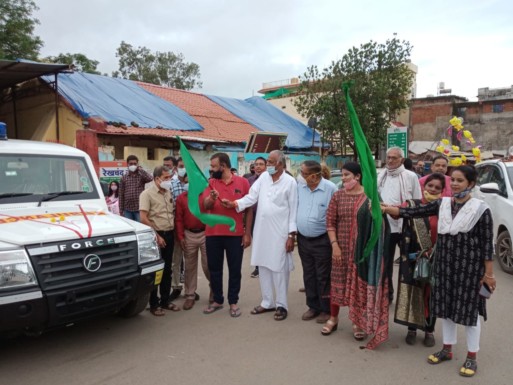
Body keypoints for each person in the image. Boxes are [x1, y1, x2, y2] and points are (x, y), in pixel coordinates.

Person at [382, 165, 496, 377]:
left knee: (469, 314)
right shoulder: (443, 204)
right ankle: (447, 349)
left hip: (469, 270)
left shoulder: (481, 209)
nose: (454, 184)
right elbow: (414, 211)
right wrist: (388, 208)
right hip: (443, 267)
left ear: (470, 184)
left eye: (459, 181)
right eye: (452, 180)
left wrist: (488, 274)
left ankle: (472, 357)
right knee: (446, 310)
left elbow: (487, 245)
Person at [223, 150, 298, 322]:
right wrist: (235, 203)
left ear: (280, 164)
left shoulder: (290, 182)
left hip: (280, 232)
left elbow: (293, 210)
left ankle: (281, 305)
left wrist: (291, 236)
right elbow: (251, 197)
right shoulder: (264, 178)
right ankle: (267, 301)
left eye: (271, 162)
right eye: (268, 162)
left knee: (279, 269)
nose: (268, 165)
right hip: (262, 230)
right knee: (263, 266)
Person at [322, 162, 390, 349]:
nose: (342, 178)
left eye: (346, 175)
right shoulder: (337, 196)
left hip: (361, 252)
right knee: (337, 283)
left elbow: (380, 223)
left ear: (358, 177)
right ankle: (333, 318)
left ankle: (357, 322)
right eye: (342, 175)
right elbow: (330, 222)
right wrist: (334, 245)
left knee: (358, 287)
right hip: (340, 250)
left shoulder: (370, 197)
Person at [394, 173, 446, 347]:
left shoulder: (443, 208)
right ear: (424, 186)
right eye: (430, 186)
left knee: (430, 295)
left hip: (435, 258)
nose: (432, 189)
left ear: (442, 191)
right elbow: (396, 213)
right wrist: (381, 206)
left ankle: (429, 331)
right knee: (413, 292)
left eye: (437, 188)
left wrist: (432, 252)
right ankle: (412, 329)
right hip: (412, 257)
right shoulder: (411, 205)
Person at [201, 153, 253, 317]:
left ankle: (233, 302)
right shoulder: (210, 183)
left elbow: (249, 208)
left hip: (235, 234)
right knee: (214, 269)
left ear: (223, 166)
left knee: (235, 269)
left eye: (214, 166)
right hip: (213, 234)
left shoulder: (243, 182)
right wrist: (211, 198)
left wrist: (247, 234)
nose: (211, 169)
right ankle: (217, 300)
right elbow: (205, 205)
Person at [378, 147, 422, 301]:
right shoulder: (380, 175)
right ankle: (387, 293)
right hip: (386, 226)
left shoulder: (411, 176)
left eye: (394, 158)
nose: (390, 160)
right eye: (388, 157)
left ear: (402, 160)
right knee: (386, 262)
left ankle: (407, 299)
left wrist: (402, 212)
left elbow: (417, 201)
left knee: (407, 264)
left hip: (406, 226)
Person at [297, 160, 337, 324]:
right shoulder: (300, 187)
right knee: (309, 273)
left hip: (322, 240)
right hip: (303, 239)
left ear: (314, 176)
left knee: (323, 276)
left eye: (304, 174)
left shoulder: (330, 189)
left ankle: (326, 309)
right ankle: (312, 306)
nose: (301, 176)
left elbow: (335, 215)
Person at [139, 165, 180, 316]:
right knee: (156, 270)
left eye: (169, 177)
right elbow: (143, 218)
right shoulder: (147, 194)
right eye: (166, 178)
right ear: (157, 179)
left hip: (169, 234)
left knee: (167, 270)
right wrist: (157, 235)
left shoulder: (167, 192)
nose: (168, 180)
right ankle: (154, 304)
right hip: (156, 236)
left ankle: (165, 300)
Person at [175, 174, 211, 310]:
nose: (188, 184)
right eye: (186, 181)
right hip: (188, 234)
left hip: (205, 233)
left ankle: (214, 288)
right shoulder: (181, 199)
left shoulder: (205, 197)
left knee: (208, 264)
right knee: (189, 266)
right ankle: (190, 295)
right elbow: (178, 219)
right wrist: (181, 237)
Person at [169, 157, 187, 301]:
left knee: (191, 262)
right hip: (176, 227)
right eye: (181, 166)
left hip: (193, 229)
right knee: (176, 260)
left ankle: (190, 289)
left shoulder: (194, 184)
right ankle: (176, 287)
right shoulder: (171, 184)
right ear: (176, 168)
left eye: (186, 166)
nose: (184, 169)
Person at [247, 156, 266, 278]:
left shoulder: (270, 180)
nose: (258, 166)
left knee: (267, 241)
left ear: (266, 167)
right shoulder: (249, 181)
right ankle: (258, 268)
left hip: (266, 216)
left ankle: (267, 266)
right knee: (257, 242)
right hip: (253, 215)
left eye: (261, 164)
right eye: (256, 164)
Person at [119, 155, 153, 222]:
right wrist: (121, 209)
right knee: (130, 227)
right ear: (127, 164)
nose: (133, 165)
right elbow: (121, 194)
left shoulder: (141, 175)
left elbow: (150, 178)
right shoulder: (124, 177)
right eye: (131, 164)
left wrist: (141, 170)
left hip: (139, 208)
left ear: (137, 164)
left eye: (135, 164)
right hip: (127, 209)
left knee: (140, 227)